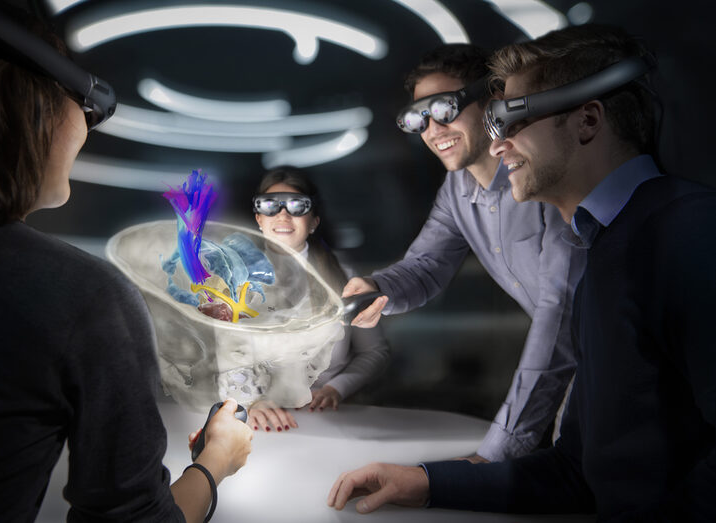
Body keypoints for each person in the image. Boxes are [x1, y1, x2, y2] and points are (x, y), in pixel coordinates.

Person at [328, 24, 716, 521]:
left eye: (510, 119)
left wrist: (494, 451)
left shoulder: (686, 233)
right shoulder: (603, 243)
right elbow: (579, 473)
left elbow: (556, 322)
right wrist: (428, 481)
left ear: (589, 121)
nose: (498, 145)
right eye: (417, 118)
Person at [0, 2, 251, 521]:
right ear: (31, 106)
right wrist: (217, 460)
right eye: (83, 105)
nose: (86, 125)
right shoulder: (75, 294)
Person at [343, 44, 585, 462]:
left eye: (444, 107)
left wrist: (495, 454)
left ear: (493, 101)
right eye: (419, 118)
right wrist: (376, 288)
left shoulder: (543, 176)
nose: (433, 129)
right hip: (578, 371)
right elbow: (426, 266)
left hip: (627, 364)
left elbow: (559, 314)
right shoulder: (458, 190)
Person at [247, 166, 391, 432]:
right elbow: (214, 358)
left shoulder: (347, 279)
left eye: (296, 205)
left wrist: (336, 388)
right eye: (270, 205)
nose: (282, 214)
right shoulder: (235, 281)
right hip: (260, 425)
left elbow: (374, 352)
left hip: (331, 421)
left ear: (313, 221)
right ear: (259, 218)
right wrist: (250, 400)